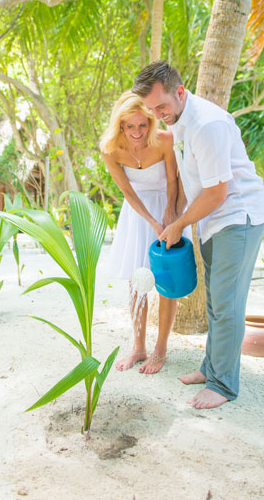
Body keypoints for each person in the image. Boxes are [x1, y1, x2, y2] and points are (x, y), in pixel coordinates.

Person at [132, 60, 264, 407]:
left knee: (227, 304)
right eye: (151, 109)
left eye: (161, 106)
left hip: (238, 217)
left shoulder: (207, 124)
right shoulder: (177, 119)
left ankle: (223, 385)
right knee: (216, 301)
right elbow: (188, 180)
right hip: (212, 220)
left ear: (180, 92)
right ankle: (211, 368)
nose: (158, 114)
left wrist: (179, 225)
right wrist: (173, 216)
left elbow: (216, 193)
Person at [100, 90, 181, 374]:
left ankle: (160, 350)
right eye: (130, 125)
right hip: (137, 215)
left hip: (167, 207)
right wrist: (151, 221)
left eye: (142, 124)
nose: (137, 131)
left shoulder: (165, 140)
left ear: (150, 122)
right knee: (137, 282)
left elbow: (173, 180)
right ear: (120, 125)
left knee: (166, 281)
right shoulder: (110, 149)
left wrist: (169, 217)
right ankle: (138, 347)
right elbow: (127, 191)